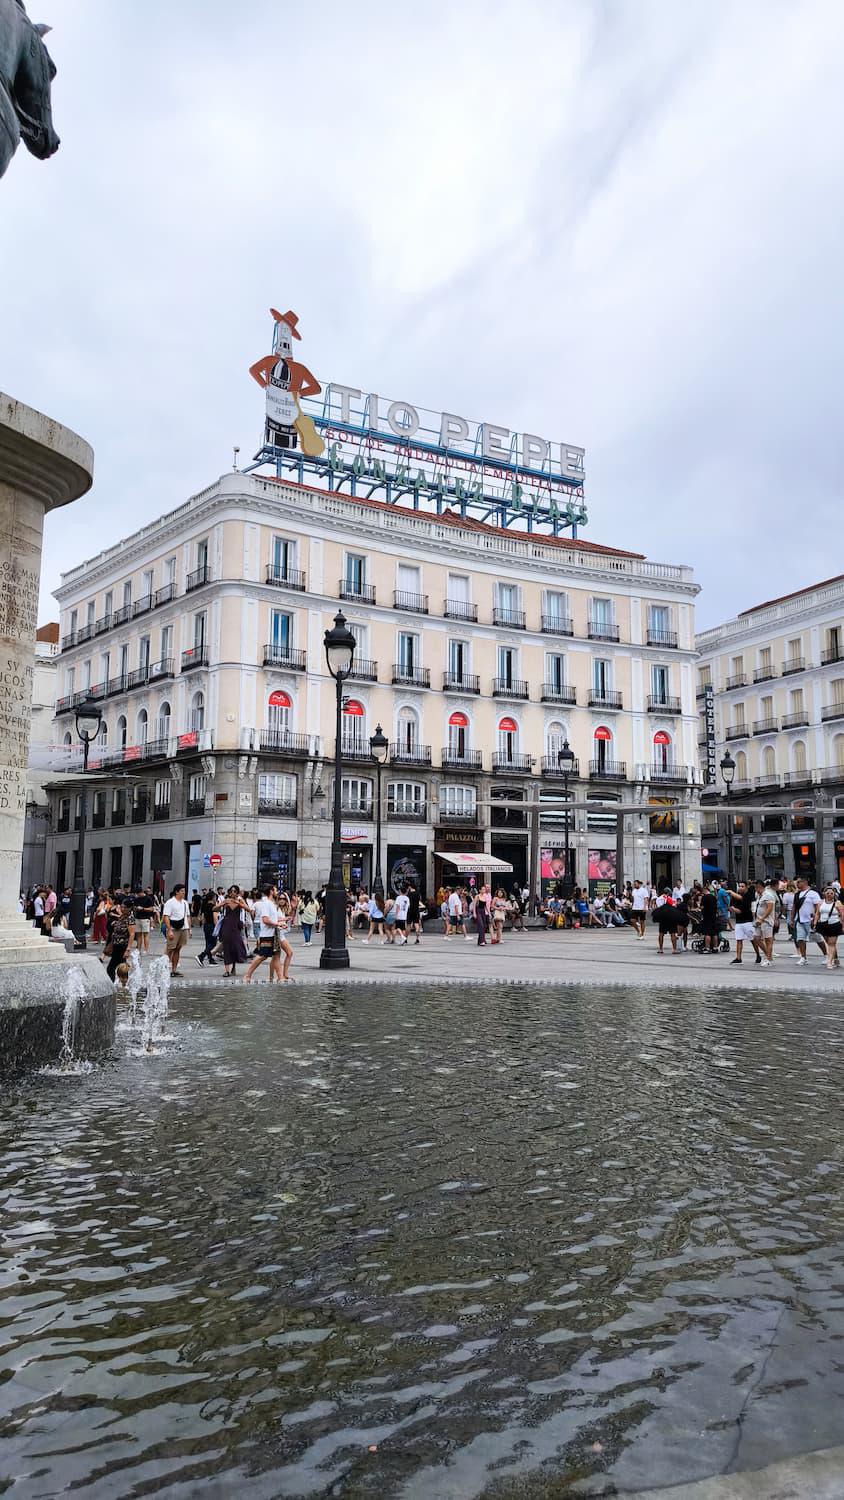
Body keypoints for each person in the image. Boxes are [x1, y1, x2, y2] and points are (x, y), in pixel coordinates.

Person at [245, 885, 288, 982]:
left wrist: (281, 922)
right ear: (271, 891)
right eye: (275, 890)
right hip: (267, 934)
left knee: (276, 956)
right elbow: (265, 920)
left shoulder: (271, 903)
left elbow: (272, 919)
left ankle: (280, 978)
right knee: (262, 956)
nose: (277, 892)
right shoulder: (266, 904)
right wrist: (277, 924)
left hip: (274, 934)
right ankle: (247, 975)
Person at [790, 876, 824, 965]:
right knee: (800, 939)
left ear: (804, 882)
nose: (797, 884)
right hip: (800, 920)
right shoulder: (797, 894)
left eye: (799, 882)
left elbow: (818, 907)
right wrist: (792, 919)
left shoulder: (813, 893)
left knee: (818, 939)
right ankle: (803, 957)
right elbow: (794, 907)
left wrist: (816, 919)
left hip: (810, 920)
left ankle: (827, 955)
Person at [217, 886, 250, 976]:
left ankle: (234, 966)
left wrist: (239, 903)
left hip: (236, 926)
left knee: (236, 946)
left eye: (235, 891)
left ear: (237, 893)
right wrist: (221, 904)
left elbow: (248, 909)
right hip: (226, 925)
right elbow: (214, 909)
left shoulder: (240, 900)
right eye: (231, 891)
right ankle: (227, 970)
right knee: (227, 947)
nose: (233, 893)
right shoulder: (226, 901)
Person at [162, 883, 192, 976]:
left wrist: (189, 929)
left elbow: (188, 916)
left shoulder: (185, 903)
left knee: (178, 949)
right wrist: (169, 930)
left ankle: (174, 970)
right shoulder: (170, 902)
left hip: (183, 928)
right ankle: (163, 969)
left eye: (184, 891)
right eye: (182, 891)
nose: (184, 893)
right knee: (170, 949)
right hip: (173, 929)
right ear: (176, 892)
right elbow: (166, 917)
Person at [813, 885, 844, 969]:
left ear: (834, 894)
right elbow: (817, 914)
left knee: (831, 944)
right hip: (823, 925)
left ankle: (829, 962)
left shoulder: (838, 903)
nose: (829, 895)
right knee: (829, 943)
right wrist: (815, 923)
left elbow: (842, 915)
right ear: (824, 894)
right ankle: (836, 958)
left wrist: (843, 926)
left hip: (834, 924)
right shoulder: (821, 902)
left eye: (831, 893)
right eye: (828, 893)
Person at [106, 901, 135, 983]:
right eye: (121, 907)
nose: (122, 909)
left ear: (129, 908)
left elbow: (132, 934)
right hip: (116, 945)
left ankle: (119, 984)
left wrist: (128, 949)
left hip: (122, 946)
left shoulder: (130, 918)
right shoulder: (122, 916)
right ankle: (124, 984)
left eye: (124, 907)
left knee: (113, 968)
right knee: (121, 968)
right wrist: (116, 923)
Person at [753, 880, 777, 966]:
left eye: (756, 888)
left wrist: (762, 918)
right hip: (758, 920)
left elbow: (770, 908)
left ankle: (767, 959)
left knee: (768, 940)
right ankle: (768, 954)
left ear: (759, 887)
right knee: (756, 938)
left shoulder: (768, 895)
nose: (755, 890)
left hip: (766, 921)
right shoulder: (759, 896)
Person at [196, 888, 221, 966]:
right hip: (212, 926)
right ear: (213, 898)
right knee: (213, 943)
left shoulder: (205, 905)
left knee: (208, 943)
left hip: (206, 925)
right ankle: (201, 956)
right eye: (215, 897)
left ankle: (210, 959)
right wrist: (217, 928)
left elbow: (203, 917)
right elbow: (215, 918)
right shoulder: (214, 907)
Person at [133, 887, 156, 954]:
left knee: (146, 934)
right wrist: (136, 908)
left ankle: (146, 949)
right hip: (137, 918)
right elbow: (134, 907)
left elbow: (151, 909)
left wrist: (143, 908)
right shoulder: (137, 899)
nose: (138, 895)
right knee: (138, 935)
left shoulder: (148, 898)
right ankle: (138, 949)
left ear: (141, 892)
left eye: (138, 894)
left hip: (145, 918)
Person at [698, 883, 719, 953]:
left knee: (707, 933)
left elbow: (702, 907)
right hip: (714, 916)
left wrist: (700, 905)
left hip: (707, 917)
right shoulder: (713, 897)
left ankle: (707, 948)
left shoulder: (704, 897)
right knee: (714, 933)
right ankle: (715, 947)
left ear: (704, 890)